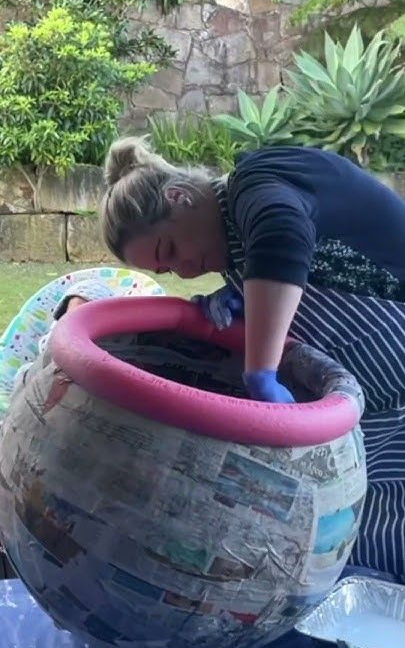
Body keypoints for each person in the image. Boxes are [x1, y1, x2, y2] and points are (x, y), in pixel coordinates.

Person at [100, 137, 405, 581]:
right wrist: (240, 295)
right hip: (378, 394)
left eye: (169, 251)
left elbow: (281, 236)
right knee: (360, 521)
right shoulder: (235, 244)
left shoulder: (256, 179)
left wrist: (260, 372)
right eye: (167, 271)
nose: (185, 271)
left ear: (179, 197)